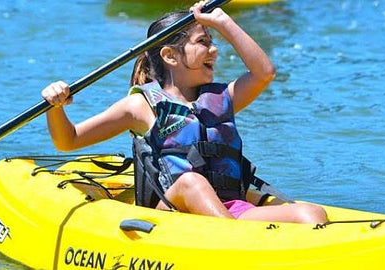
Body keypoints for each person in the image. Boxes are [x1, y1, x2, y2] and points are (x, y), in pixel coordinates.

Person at [41, 1, 328, 224]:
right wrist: (55, 107)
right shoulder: (141, 106)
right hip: (175, 208)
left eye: (213, 42)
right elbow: (69, 140)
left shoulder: (222, 98)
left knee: (312, 216)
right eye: (203, 42)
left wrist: (222, 21)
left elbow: (264, 72)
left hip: (229, 206)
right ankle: (234, 243)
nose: (214, 50)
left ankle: (238, 235)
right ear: (169, 56)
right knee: (192, 182)